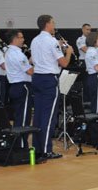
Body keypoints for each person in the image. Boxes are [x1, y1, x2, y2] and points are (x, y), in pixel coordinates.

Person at [30, 14, 74, 160]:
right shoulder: (52, 41)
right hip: (49, 79)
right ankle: (46, 150)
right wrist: (68, 53)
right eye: (53, 23)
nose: (54, 26)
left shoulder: (35, 40)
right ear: (48, 24)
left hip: (37, 78)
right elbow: (64, 63)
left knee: (38, 115)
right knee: (49, 116)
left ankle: (37, 147)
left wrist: (58, 46)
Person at [4, 30, 33, 130]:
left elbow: (21, 67)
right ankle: (21, 143)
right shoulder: (18, 54)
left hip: (15, 86)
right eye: (21, 37)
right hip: (22, 86)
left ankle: (18, 142)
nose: (23, 40)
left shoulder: (9, 52)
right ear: (15, 39)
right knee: (24, 118)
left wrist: (30, 61)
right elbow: (29, 71)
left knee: (19, 116)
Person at [84, 32, 98, 114]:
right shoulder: (92, 52)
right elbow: (97, 68)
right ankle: (97, 119)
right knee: (97, 101)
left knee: (97, 99)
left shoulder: (93, 50)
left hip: (95, 77)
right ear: (95, 40)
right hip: (96, 77)